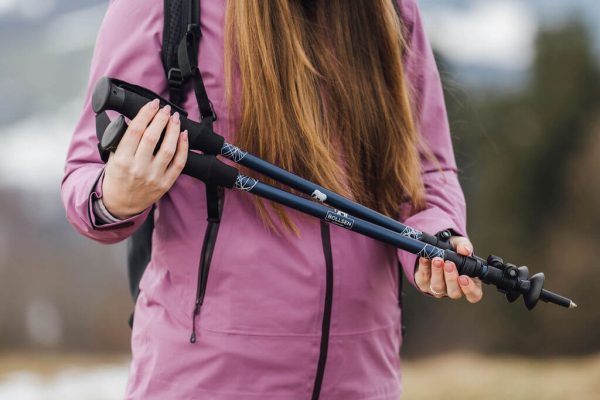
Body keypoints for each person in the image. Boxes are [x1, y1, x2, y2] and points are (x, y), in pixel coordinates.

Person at [61, 0, 483, 399]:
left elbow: (427, 171)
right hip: (204, 380)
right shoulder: (169, 6)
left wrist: (433, 240)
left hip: (366, 379)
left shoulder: (391, 8)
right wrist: (116, 196)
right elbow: (85, 175)